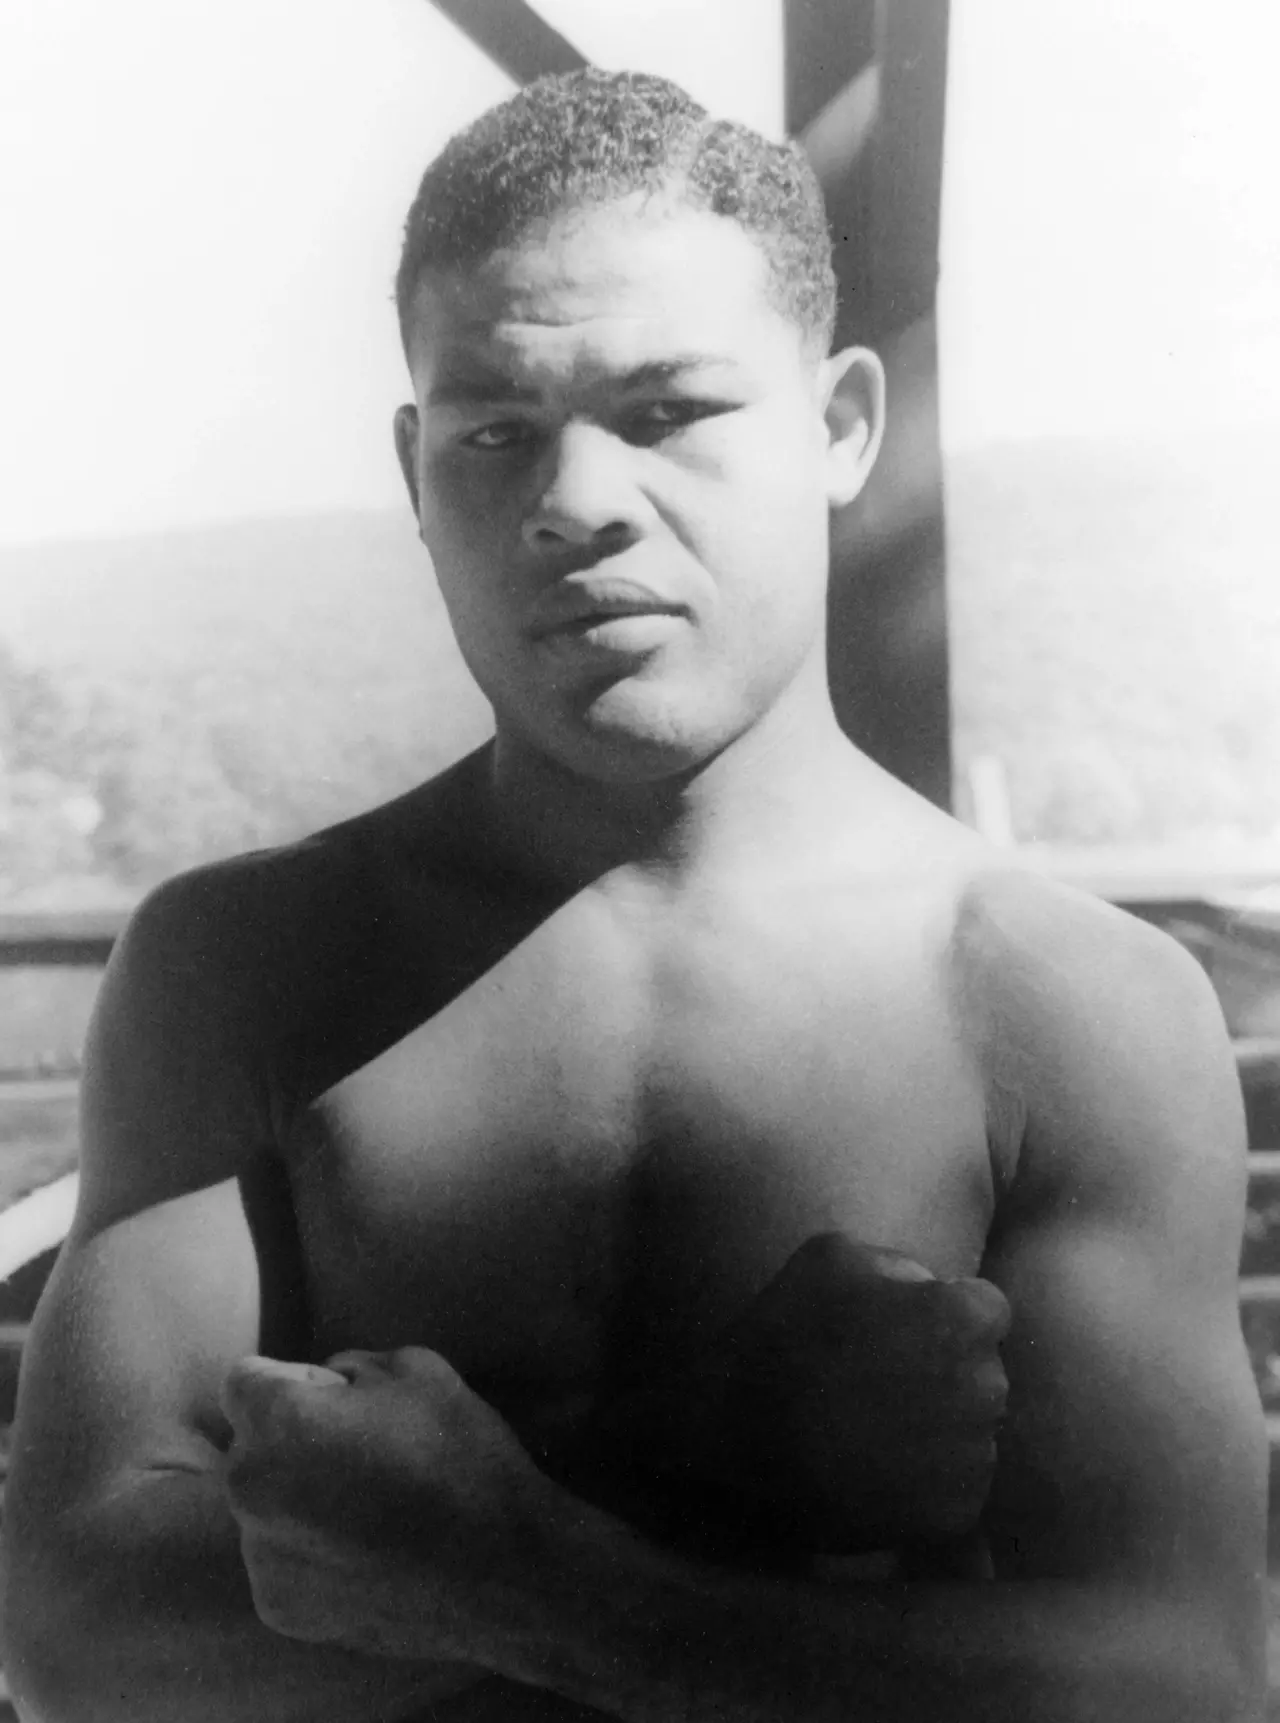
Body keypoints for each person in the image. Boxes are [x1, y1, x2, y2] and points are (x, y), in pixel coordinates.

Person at [0, 68, 1266, 1723]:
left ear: (841, 427)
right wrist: (702, 1459)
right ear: (414, 466)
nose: (577, 502)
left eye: (668, 411)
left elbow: (1176, 1680)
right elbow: (78, 1635)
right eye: (496, 434)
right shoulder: (247, 969)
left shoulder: (1058, 1006)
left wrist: (516, 1565)